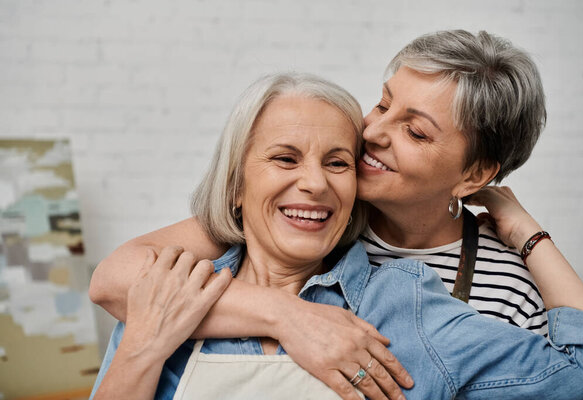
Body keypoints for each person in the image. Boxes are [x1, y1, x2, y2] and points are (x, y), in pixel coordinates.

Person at [91, 30, 557, 396]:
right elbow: (113, 281)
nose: (373, 133)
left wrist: (531, 235)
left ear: (474, 174)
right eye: (382, 104)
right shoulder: (283, 228)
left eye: (415, 132)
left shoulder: (453, 292)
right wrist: (284, 315)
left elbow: (581, 372)